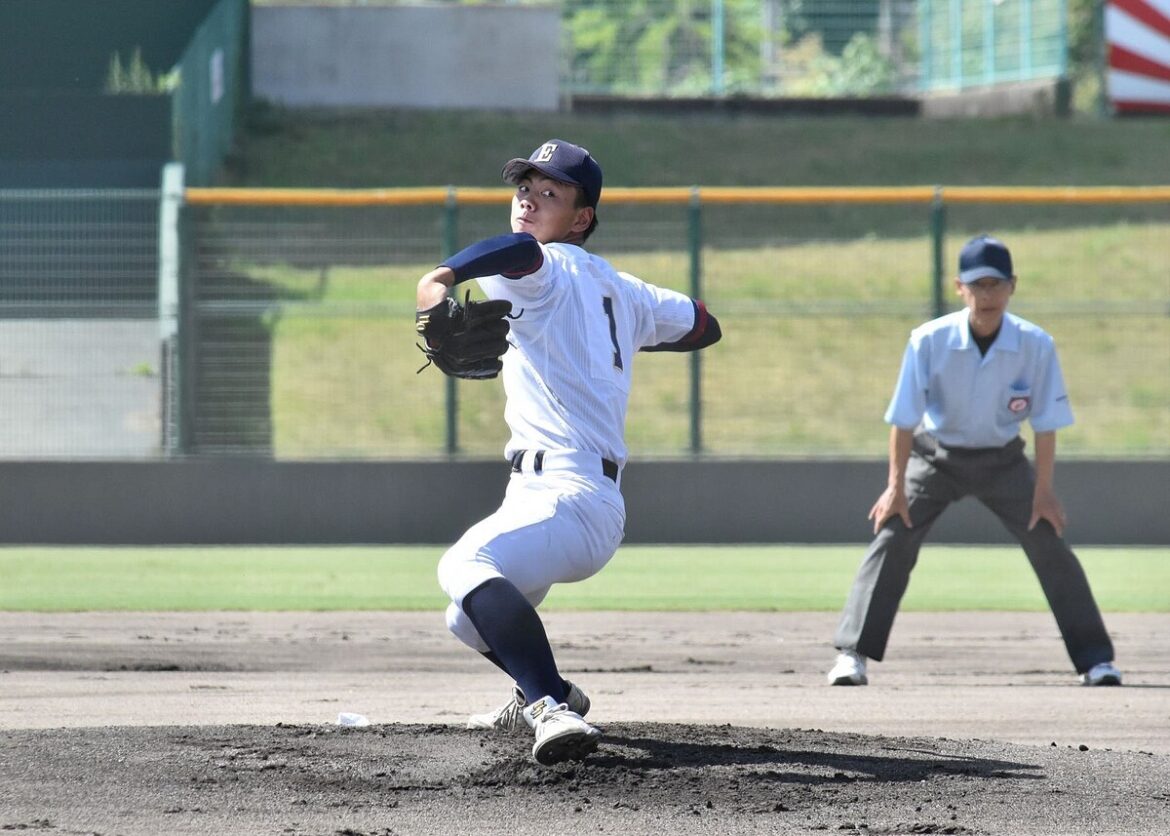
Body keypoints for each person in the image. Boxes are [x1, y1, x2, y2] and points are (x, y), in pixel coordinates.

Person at [415, 139, 722, 765]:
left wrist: (438, 279)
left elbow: (522, 252)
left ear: (580, 219)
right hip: (559, 495)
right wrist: (615, 344)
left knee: (463, 565)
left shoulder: (545, 265)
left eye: (550, 193)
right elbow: (704, 325)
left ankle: (548, 713)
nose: (528, 197)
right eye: (524, 186)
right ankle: (554, 690)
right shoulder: (624, 289)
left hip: (569, 492)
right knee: (464, 617)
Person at [827, 234, 1122, 688]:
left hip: (1003, 460)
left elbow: (1046, 424)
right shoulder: (929, 340)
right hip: (937, 455)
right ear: (959, 288)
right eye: (977, 285)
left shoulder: (1035, 344)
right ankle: (853, 655)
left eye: (995, 285)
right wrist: (895, 485)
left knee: (1049, 541)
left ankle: (1096, 660)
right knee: (893, 534)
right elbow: (903, 420)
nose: (987, 295)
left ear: (1012, 287)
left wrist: (1043, 492)